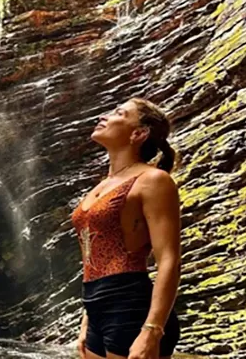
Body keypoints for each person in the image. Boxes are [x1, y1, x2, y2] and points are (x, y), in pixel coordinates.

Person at [71, 97, 181, 359]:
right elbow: (93, 257)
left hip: (130, 305)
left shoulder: (153, 180)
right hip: (96, 307)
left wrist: (152, 330)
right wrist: (87, 320)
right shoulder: (101, 186)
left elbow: (169, 259)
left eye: (119, 113)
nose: (105, 116)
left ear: (139, 134)